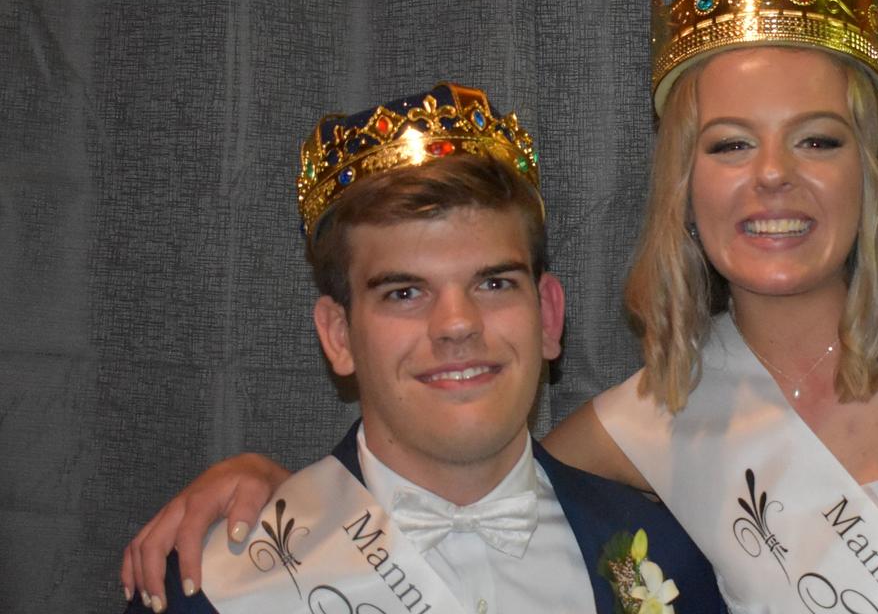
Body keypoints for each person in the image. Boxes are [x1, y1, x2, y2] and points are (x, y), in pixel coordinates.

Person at [123, 0, 878, 613]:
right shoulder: (644, 421)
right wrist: (262, 479)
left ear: (869, 172)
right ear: (684, 185)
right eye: (730, 145)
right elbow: (454, 446)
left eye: (819, 141)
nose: (774, 181)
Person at [120, 82, 726, 614]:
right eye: (405, 292)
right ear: (338, 336)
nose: (457, 324)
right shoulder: (219, 587)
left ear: (547, 315)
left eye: (493, 283)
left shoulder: (671, 560)